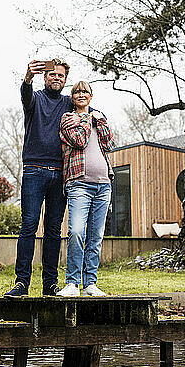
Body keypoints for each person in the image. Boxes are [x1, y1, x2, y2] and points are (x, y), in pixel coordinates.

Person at [4, 58, 74, 297]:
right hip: (34, 170)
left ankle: (50, 284)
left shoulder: (69, 103)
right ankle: (22, 283)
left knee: (54, 229)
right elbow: (25, 96)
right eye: (52, 75)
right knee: (29, 226)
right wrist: (27, 78)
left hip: (60, 173)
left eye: (61, 76)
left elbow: (87, 111)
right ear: (45, 77)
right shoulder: (35, 100)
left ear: (65, 80)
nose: (57, 78)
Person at [57, 81, 115, 297]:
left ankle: (90, 283)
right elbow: (80, 141)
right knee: (76, 232)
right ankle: (72, 283)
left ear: (91, 96)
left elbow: (109, 144)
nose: (81, 94)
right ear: (72, 97)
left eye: (85, 92)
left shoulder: (99, 117)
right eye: (77, 92)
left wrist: (99, 121)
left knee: (96, 236)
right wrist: (87, 119)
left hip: (103, 184)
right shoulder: (67, 118)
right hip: (79, 183)